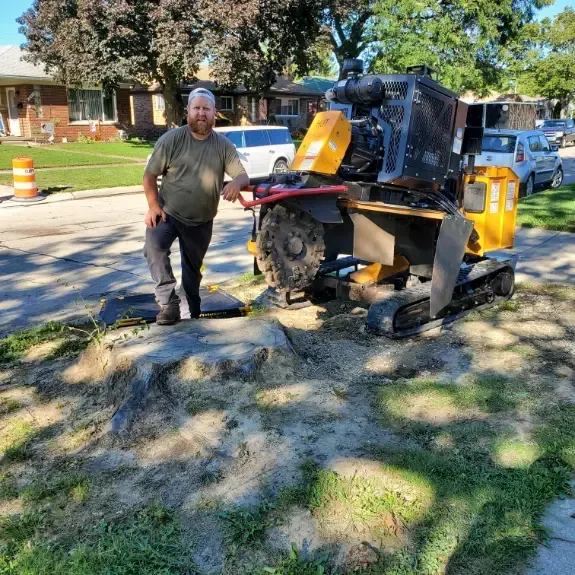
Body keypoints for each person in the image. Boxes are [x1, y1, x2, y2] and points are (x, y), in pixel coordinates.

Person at [142, 88, 250, 325]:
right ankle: (168, 305)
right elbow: (149, 175)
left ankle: (194, 310)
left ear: (214, 113)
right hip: (168, 213)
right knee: (154, 247)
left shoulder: (223, 145)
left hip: (201, 221)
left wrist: (235, 184)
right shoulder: (172, 140)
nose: (201, 113)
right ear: (188, 111)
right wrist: (152, 206)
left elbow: (243, 176)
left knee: (192, 271)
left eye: (206, 108)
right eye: (197, 108)